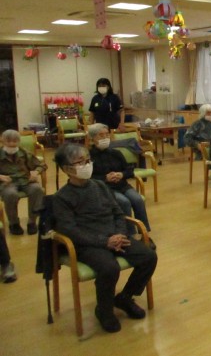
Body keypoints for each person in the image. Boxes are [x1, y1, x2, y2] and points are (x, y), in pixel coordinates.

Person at [53, 143, 157, 333]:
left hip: (114, 235)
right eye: (80, 162)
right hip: (88, 243)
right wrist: (104, 241)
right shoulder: (62, 197)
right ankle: (104, 310)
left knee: (148, 256)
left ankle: (125, 298)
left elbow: (118, 213)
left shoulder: (100, 185)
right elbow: (70, 230)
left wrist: (120, 234)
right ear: (66, 169)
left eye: (88, 160)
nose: (86, 165)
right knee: (109, 267)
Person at [88, 123, 152, 234]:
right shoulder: (89, 156)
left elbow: (129, 170)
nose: (105, 138)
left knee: (138, 199)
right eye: (101, 135)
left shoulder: (116, 153)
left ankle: (144, 232)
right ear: (93, 138)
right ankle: (129, 234)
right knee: (124, 202)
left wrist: (121, 175)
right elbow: (88, 178)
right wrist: (105, 178)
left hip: (122, 185)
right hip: (105, 188)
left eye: (107, 134)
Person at [0, 129, 47, 235]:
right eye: (8, 141)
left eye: (15, 141)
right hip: (8, 183)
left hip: (26, 180)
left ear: (18, 141)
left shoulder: (24, 152)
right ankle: (14, 223)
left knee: (37, 189)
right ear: (3, 141)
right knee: (10, 194)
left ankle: (32, 222)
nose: (12, 144)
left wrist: (36, 172)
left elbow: (42, 165)